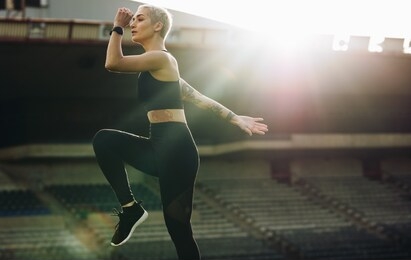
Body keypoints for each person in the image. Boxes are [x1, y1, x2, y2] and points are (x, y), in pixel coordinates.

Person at [92, 4, 268, 260]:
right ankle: (130, 209)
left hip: (178, 152)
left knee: (179, 230)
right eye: (132, 20)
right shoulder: (159, 67)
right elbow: (199, 98)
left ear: (158, 26)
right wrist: (234, 117)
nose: (133, 23)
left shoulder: (163, 58)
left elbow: (113, 62)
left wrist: (116, 26)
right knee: (104, 140)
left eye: (139, 19)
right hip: (157, 147)